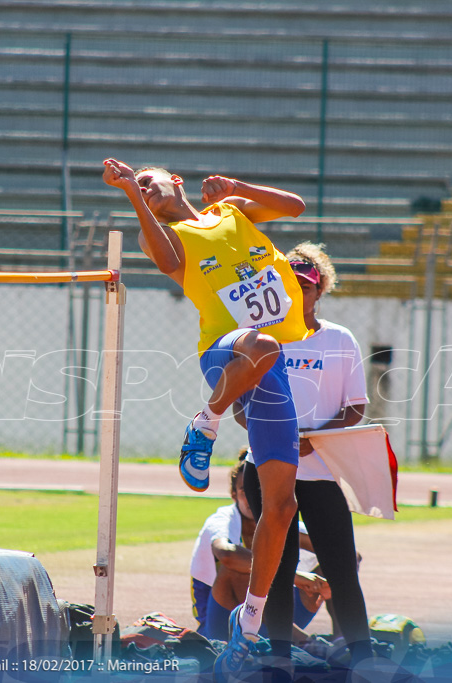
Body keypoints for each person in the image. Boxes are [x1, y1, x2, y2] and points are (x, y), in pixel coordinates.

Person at [102, 159, 307, 677]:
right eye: (139, 185)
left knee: (281, 508)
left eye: (150, 181)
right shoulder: (160, 236)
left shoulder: (230, 210)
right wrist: (132, 194)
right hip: (224, 353)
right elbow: (170, 260)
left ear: (177, 179)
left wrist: (239, 186)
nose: (146, 189)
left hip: (268, 367)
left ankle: (250, 624)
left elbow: (294, 206)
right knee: (258, 343)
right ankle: (205, 421)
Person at [237, 242, 374, 664]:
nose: (298, 293)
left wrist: (314, 436)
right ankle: (278, 658)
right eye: (289, 285)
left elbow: (356, 407)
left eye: (306, 286)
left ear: (321, 290)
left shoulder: (339, 339)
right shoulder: (257, 339)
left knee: (340, 567)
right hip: (268, 468)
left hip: (322, 471)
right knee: (278, 567)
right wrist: (279, 437)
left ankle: (365, 658)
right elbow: (241, 408)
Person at [189, 454, 330, 642]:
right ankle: (301, 641)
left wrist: (330, 580)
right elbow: (226, 554)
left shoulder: (279, 518)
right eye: (243, 491)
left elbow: (341, 554)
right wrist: (294, 576)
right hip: (222, 625)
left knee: (339, 561)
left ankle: (344, 639)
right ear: (233, 495)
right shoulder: (223, 519)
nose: (252, 498)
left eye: (259, 490)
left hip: (278, 618)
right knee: (236, 568)